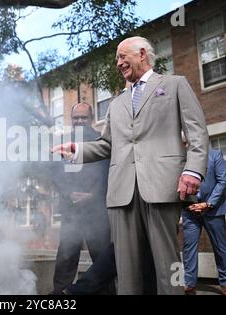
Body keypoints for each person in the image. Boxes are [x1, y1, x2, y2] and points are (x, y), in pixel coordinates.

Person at [52, 36, 209, 295]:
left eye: (122, 56)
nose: (118, 63)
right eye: (117, 58)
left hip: (160, 187)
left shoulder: (174, 85)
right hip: (122, 193)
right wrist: (76, 150)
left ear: (143, 54)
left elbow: (197, 132)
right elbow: (106, 145)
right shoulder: (117, 103)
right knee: (126, 268)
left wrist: (192, 170)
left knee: (165, 263)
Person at [50, 103, 111, 295]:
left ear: (91, 119)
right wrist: (68, 193)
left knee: (102, 259)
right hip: (71, 211)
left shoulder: (102, 141)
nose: (79, 121)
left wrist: (94, 195)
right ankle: (60, 296)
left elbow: (110, 173)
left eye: (83, 118)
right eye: (75, 117)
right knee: (66, 257)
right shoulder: (64, 142)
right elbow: (55, 174)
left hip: (97, 212)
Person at [182, 136, 226, 295]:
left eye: (187, 142)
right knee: (189, 248)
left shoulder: (215, 154)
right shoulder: (181, 159)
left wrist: (208, 203)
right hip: (190, 211)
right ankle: (189, 285)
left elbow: (222, 181)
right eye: (183, 143)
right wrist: (185, 203)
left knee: (220, 247)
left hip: (213, 210)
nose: (185, 145)